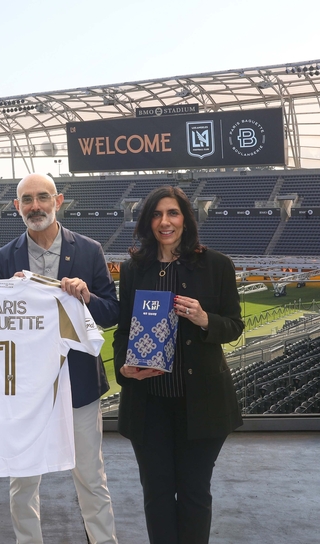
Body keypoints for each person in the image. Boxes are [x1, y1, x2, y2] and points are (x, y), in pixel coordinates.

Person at [113, 185, 244, 544]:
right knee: (156, 494)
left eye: (172, 213)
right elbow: (123, 331)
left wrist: (204, 319)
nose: (164, 222)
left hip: (202, 404)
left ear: (186, 219)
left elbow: (234, 326)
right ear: (147, 222)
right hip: (148, 404)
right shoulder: (133, 269)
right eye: (156, 214)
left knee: (194, 493)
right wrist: (123, 366)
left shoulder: (217, 265)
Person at [0, 173, 118, 544]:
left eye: (43, 197)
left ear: (58, 201)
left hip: (79, 383)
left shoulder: (89, 250)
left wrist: (87, 297)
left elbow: (112, 312)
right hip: (26, 389)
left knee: (90, 478)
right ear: (16, 206)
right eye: (27, 199)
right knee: (23, 482)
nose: (35, 206)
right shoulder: (5, 257)